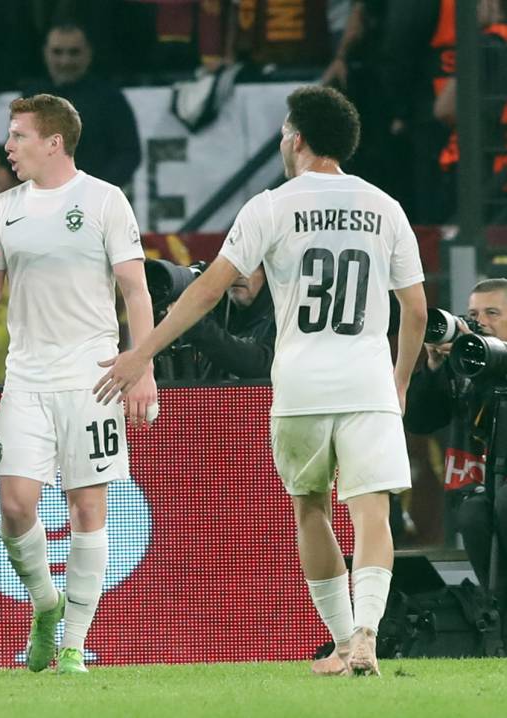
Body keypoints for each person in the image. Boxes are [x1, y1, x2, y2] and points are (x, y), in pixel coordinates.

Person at [95, 85, 427, 676]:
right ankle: (369, 633)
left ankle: (343, 642)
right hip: (367, 381)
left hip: (300, 383)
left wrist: (140, 352)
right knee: (371, 512)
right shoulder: (386, 207)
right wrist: (398, 381)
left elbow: (207, 288)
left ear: (296, 139)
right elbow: (417, 310)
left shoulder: (271, 206)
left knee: (310, 509)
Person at [0, 93, 158, 675]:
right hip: (26, 377)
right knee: (15, 506)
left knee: (87, 506)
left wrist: (140, 365)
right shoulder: (3, 208)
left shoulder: (103, 200)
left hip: (91, 377)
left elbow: (136, 291)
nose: (7, 146)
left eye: (18, 135)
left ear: (53, 141)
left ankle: (73, 641)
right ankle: (46, 604)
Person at [404, 279, 507, 628]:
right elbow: (419, 420)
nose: (481, 321)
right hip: (477, 486)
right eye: (474, 313)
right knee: (474, 516)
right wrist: (434, 366)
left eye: (493, 313)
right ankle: (497, 618)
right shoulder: (464, 362)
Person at [40, 24, 141, 188]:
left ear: (88, 53)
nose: (65, 61)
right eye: (57, 52)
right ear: (45, 53)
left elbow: (128, 154)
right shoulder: (31, 97)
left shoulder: (110, 98)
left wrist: (94, 191)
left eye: (74, 52)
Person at [158, 266, 276, 383]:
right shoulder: (219, 309)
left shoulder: (284, 316)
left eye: (249, 266)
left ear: (268, 275)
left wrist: (194, 324)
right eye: (233, 266)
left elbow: (261, 364)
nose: (238, 274)